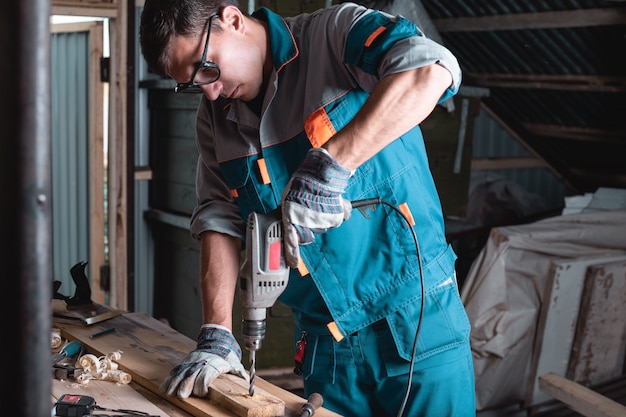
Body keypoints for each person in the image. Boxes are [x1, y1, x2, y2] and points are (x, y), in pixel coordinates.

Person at [139, 1, 475, 416]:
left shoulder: (334, 35)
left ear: (232, 20)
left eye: (206, 67)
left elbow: (431, 68)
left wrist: (333, 163)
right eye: (192, 83)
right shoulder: (215, 118)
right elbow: (218, 219)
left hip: (414, 317)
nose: (208, 90)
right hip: (325, 344)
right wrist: (217, 331)